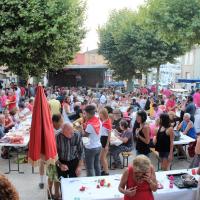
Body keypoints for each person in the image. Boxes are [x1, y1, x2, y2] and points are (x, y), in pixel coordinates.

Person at [47, 114, 63, 200]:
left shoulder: (57, 129)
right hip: (51, 157)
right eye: (60, 121)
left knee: (56, 177)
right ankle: (50, 194)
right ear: (54, 122)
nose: (62, 123)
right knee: (52, 176)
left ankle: (56, 194)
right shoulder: (51, 131)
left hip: (56, 157)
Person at [82, 105, 101, 176]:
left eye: (85, 113)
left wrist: (80, 130)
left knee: (89, 168)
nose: (85, 115)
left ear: (88, 113)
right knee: (97, 166)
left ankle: (90, 182)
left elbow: (85, 136)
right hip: (98, 145)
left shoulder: (90, 125)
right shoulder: (98, 120)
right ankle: (99, 180)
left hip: (90, 147)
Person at [99, 108, 112, 175]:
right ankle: (104, 170)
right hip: (103, 139)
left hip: (105, 140)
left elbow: (109, 134)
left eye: (100, 113)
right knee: (102, 157)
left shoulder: (107, 122)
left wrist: (107, 145)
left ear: (103, 114)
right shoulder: (105, 120)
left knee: (103, 157)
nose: (99, 115)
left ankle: (106, 172)